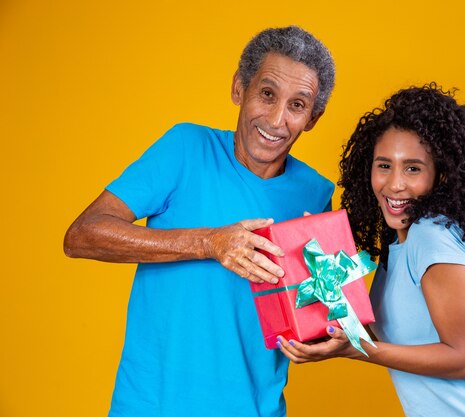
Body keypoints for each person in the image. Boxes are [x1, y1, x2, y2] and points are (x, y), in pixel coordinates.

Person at [64, 26, 335, 417]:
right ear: (239, 88)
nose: (277, 120)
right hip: (153, 406)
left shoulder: (316, 194)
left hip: (257, 409)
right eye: (267, 93)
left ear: (313, 118)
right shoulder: (185, 148)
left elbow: (314, 313)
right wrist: (209, 243)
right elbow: (82, 236)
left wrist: (328, 331)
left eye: (297, 104)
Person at [277, 83, 465, 416]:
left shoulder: (432, 236)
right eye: (384, 165)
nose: (395, 184)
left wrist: (359, 349)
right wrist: (320, 269)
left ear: (440, 175)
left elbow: (464, 359)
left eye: (413, 168)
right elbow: (379, 335)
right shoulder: (398, 241)